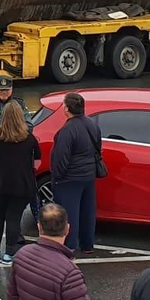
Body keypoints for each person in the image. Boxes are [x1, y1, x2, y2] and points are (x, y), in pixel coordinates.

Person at [0, 102, 40, 262]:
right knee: (14, 218)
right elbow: (37, 159)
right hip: (21, 184)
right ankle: (10, 252)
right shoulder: (28, 138)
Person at [0, 74, 32, 252]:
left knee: (14, 200)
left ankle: (14, 233)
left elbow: (29, 126)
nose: (4, 93)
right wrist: (1, 131)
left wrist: (14, 133)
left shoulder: (20, 104)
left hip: (15, 156)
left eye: (7, 90)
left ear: (12, 89)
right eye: (1, 90)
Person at [49, 92, 102, 253]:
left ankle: (69, 246)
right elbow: (98, 147)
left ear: (66, 108)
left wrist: (57, 177)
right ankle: (87, 244)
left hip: (70, 178)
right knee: (87, 212)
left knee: (70, 214)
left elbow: (61, 157)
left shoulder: (68, 130)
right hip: (88, 175)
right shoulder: (92, 124)